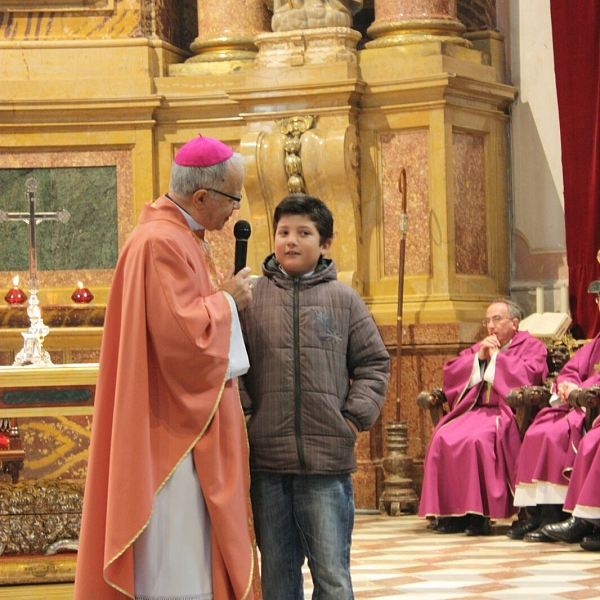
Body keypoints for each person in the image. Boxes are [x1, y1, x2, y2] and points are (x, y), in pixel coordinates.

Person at [74, 135, 261, 600]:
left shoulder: (179, 237)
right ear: (201, 197)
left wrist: (217, 300)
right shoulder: (161, 242)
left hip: (179, 428)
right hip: (171, 439)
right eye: (232, 199)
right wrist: (227, 302)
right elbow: (184, 340)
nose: (234, 211)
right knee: (176, 563)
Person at [238, 193, 390, 600]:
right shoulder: (250, 300)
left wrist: (353, 418)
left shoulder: (344, 300)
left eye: (303, 232)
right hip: (268, 465)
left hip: (326, 466)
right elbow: (231, 368)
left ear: (324, 244)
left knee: (333, 577)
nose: (291, 240)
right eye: (283, 231)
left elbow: (374, 364)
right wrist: (248, 417)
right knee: (278, 576)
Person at [418, 300, 548, 536]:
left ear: (514, 323)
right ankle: (452, 514)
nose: (490, 326)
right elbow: (451, 371)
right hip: (473, 410)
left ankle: (479, 515)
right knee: (443, 437)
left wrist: (497, 358)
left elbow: (531, 375)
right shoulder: (482, 345)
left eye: (497, 319)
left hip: (503, 412)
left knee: (478, 439)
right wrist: (479, 357)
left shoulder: (532, 346)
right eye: (487, 321)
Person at [507, 290, 600, 543]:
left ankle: (558, 514)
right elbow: (571, 368)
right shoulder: (598, 341)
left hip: (590, 405)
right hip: (576, 403)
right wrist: (568, 385)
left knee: (558, 434)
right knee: (538, 429)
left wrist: (579, 392)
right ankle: (537, 513)